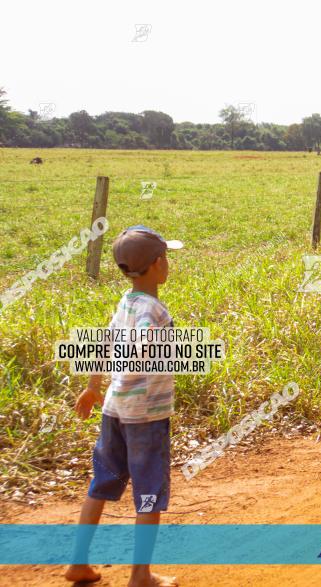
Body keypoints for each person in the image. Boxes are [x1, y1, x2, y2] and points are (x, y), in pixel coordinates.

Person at [65, 225, 183, 587]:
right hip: (145, 416)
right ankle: (140, 576)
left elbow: (105, 342)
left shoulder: (126, 301)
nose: (168, 264)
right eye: (167, 258)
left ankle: (78, 563)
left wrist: (91, 386)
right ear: (158, 264)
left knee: (101, 483)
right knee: (148, 493)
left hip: (114, 408)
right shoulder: (154, 310)